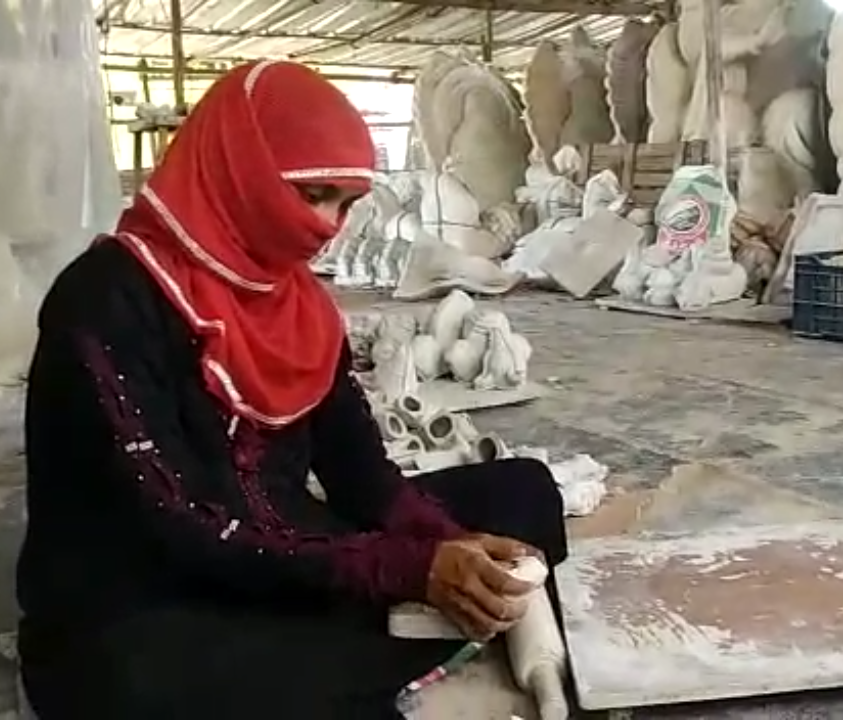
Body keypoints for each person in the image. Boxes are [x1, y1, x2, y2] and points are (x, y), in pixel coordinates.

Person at [15, 60, 567, 719]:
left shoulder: (299, 304)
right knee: (139, 680)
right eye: (314, 196)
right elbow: (178, 524)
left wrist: (442, 539)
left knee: (522, 491)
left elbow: (360, 471)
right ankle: (364, 649)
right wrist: (404, 569)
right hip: (150, 590)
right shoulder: (106, 298)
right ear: (237, 171)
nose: (330, 225)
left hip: (289, 551)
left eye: (347, 203)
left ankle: (358, 645)